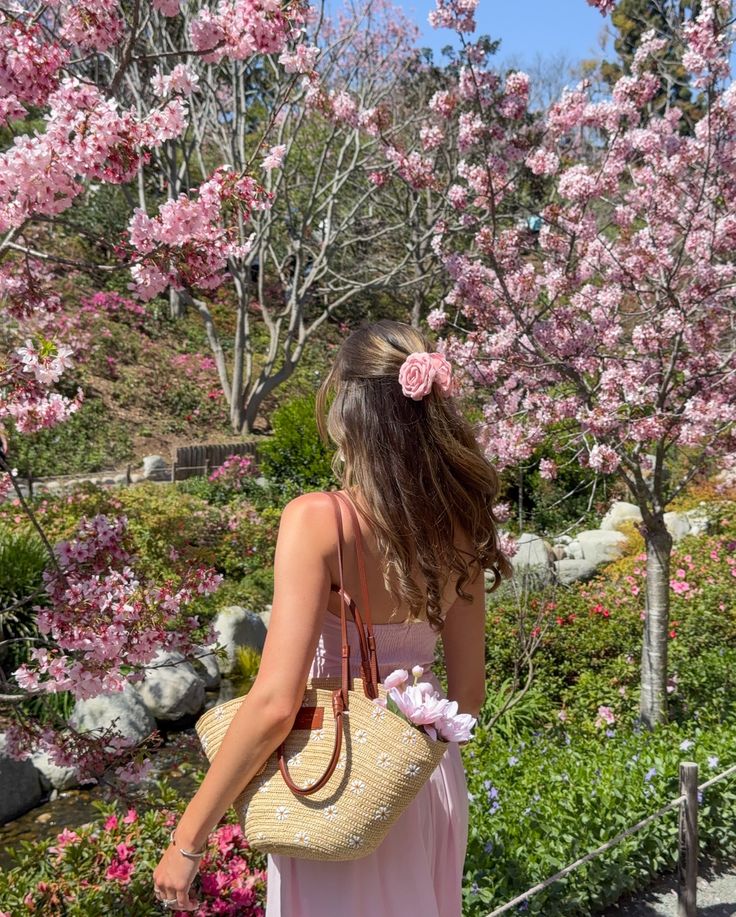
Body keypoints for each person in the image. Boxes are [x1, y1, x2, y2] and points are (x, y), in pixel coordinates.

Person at [153, 319, 512, 915]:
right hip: (422, 781)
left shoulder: (318, 520)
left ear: (347, 412)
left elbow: (273, 703)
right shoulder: (464, 525)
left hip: (339, 783)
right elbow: (468, 697)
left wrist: (189, 841)